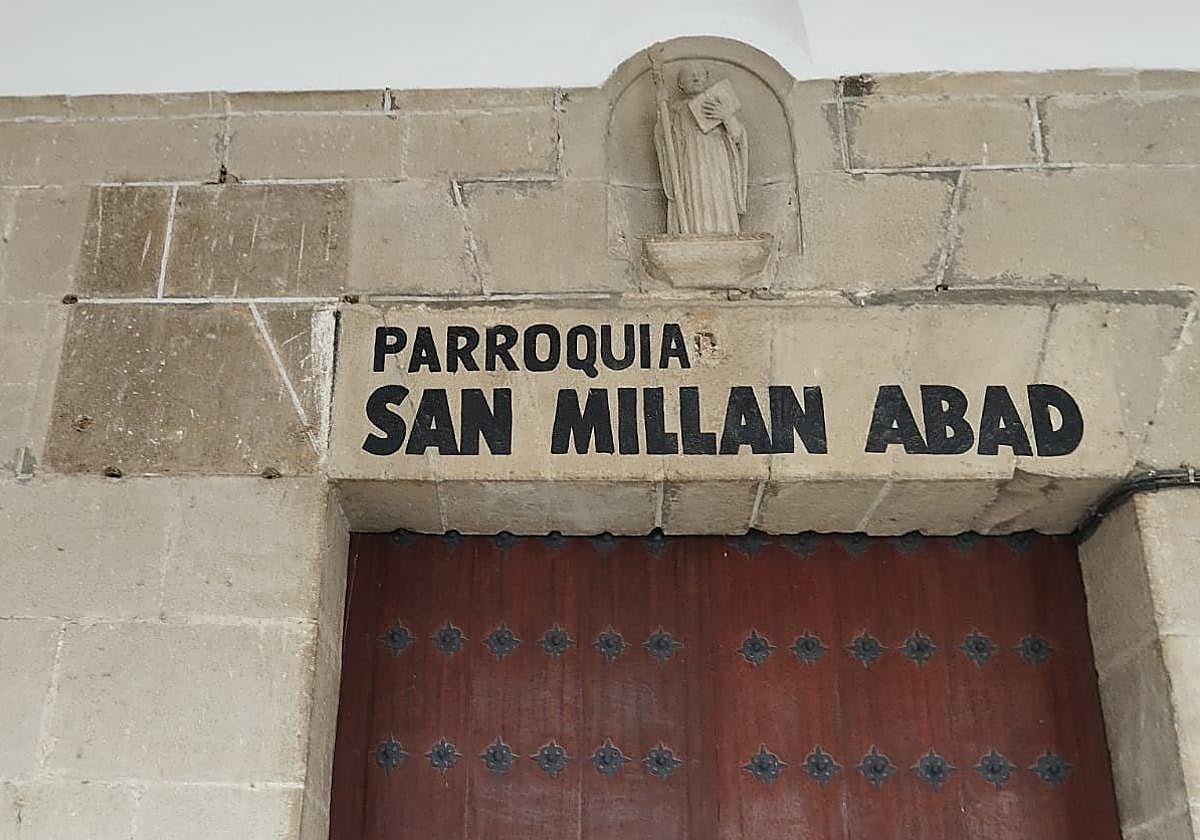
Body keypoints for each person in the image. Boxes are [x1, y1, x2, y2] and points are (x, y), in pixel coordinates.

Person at [653, 61, 749, 235]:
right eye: (689, 75)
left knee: (718, 193)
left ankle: (724, 231)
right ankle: (690, 231)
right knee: (693, 193)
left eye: (699, 74)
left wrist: (726, 117)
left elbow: (737, 136)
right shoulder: (675, 109)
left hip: (717, 157)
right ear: (680, 84)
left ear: (707, 78)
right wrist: (662, 111)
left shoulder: (717, 102)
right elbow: (665, 139)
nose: (696, 77)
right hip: (688, 159)